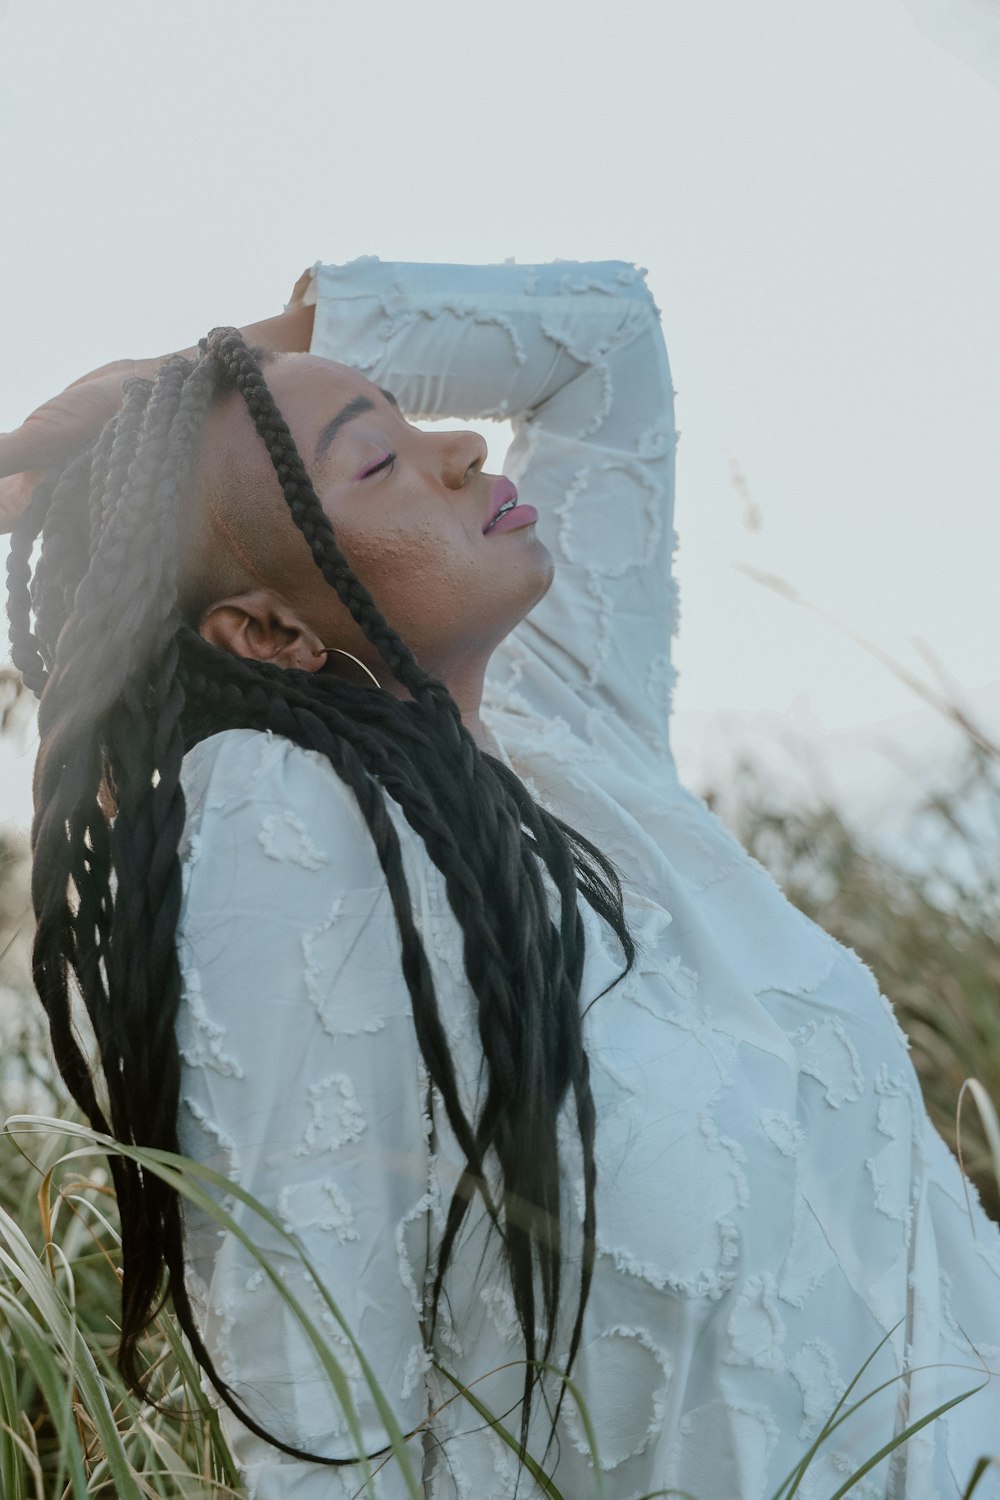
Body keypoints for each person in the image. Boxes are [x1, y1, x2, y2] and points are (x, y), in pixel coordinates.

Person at [3, 256, 999, 1500]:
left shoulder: (572, 740)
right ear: (271, 632)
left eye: (410, 421)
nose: (461, 447)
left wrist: (200, 368)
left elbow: (601, 341)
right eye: (377, 461)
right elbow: (319, 1422)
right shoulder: (284, 825)